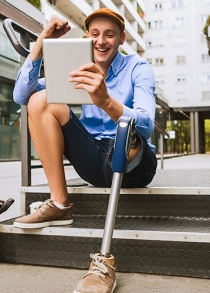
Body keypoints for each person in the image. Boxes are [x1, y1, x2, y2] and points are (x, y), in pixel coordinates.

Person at [13, 8, 157, 293]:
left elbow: (147, 125)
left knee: (128, 132)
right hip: (94, 156)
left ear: (121, 38)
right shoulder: (76, 67)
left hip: (134, 159)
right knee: (41, 100)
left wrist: (106, 101)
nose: (101, 41)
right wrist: (41, 42)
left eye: (109, 35)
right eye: (95, 34)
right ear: (87, 37)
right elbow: (21, 95)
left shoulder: (137, 68)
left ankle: (103, 262)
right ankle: (60, 204)